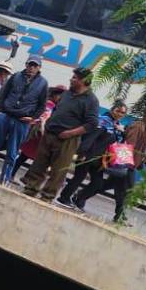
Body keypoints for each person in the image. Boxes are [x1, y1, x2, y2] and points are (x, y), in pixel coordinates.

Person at [22, 67, 100, 201]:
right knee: (39, 163)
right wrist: (48, 124)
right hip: (50, 134)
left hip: (67, 139)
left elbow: (91, 124)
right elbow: (57, 110)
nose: (71, 79)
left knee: (58, 170)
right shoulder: (67, 94)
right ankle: (30, 188)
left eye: (75, 78)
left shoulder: (91, 100)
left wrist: (70, 133)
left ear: (84, 81)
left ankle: (47, 195)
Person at [0, 55, 49, 183]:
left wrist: (32, 118)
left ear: (39, 68)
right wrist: (0, 112)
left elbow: (42, 105)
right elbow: (2, 94)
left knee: (12, 152)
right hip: (5, 116)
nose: (32, 68)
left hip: (22, 121)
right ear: (26, 65)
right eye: (30, 65)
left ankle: (5, 179)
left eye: (35, 66)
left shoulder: (43, 83)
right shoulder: (15, 77)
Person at [73, 110, 146, 223]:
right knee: (127, 190)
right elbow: (129, 144)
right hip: (127, 162)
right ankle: (119, 215)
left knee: (108, 186)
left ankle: (81, 196)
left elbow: (144, 148)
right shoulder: (138, 126)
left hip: (131, 162)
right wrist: (126, 161)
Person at [55, 100, 127, 210]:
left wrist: (122, 132)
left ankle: (79, 198)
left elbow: (118, 143)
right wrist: (82, 152)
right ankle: (64, 198)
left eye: (123, 113)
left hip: (99, 160)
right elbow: (90, 137)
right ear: (112, 110)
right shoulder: (103, 121)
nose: (120, 114)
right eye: (118, 111)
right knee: (79, 177)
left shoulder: (116, 126)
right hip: (88, 155)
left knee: (97, 183)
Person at [10, 85, 65, 179]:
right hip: (37, 135)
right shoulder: (49, 105)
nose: (61, 99)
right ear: (55, 95)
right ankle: (16, 175)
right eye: (60, 96)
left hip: (38, 136)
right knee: (28, 157)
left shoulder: (53, 106)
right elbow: (43, 118)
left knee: (28, 157)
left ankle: (18, 176)